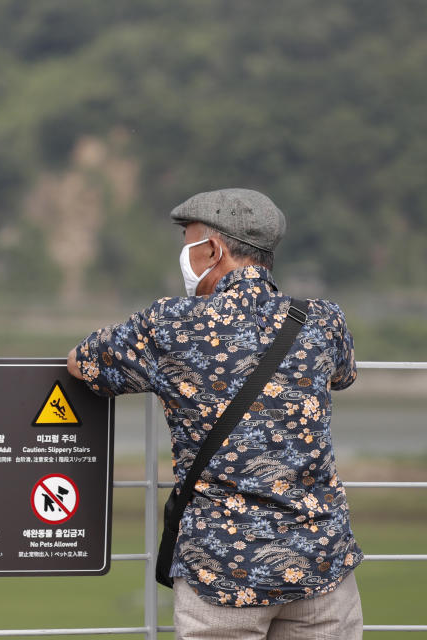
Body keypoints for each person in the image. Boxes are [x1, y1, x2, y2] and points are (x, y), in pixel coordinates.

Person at [67, 188, 363, 639]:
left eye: (188, 244)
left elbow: (83, 362)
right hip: (321, 566)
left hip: (221, 571)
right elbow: (342, 375)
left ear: (212, 250)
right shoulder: (324, 319)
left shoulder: (170, 324)